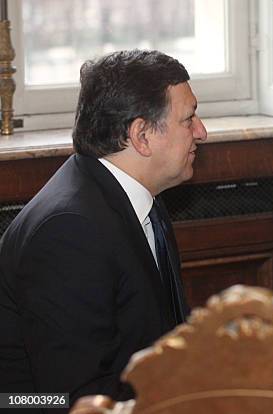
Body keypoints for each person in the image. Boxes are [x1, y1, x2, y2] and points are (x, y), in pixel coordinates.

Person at [0, 50, 207, 407]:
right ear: (141, 135)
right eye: (189, 119)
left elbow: (164, 338)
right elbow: (74, 397)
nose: (202, 132)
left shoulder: (140, 194)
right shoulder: (69, 231)